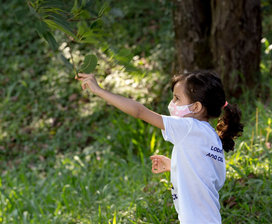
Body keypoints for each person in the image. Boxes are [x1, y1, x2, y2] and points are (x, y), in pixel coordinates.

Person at [75, 70, 243, 224]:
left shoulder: (189, 127)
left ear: (196, 107)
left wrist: (99, 91)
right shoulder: (210, 137)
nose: (172, 103)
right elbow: (208, 176)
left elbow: (139, 112)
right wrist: (174, 166)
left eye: (177, 98)